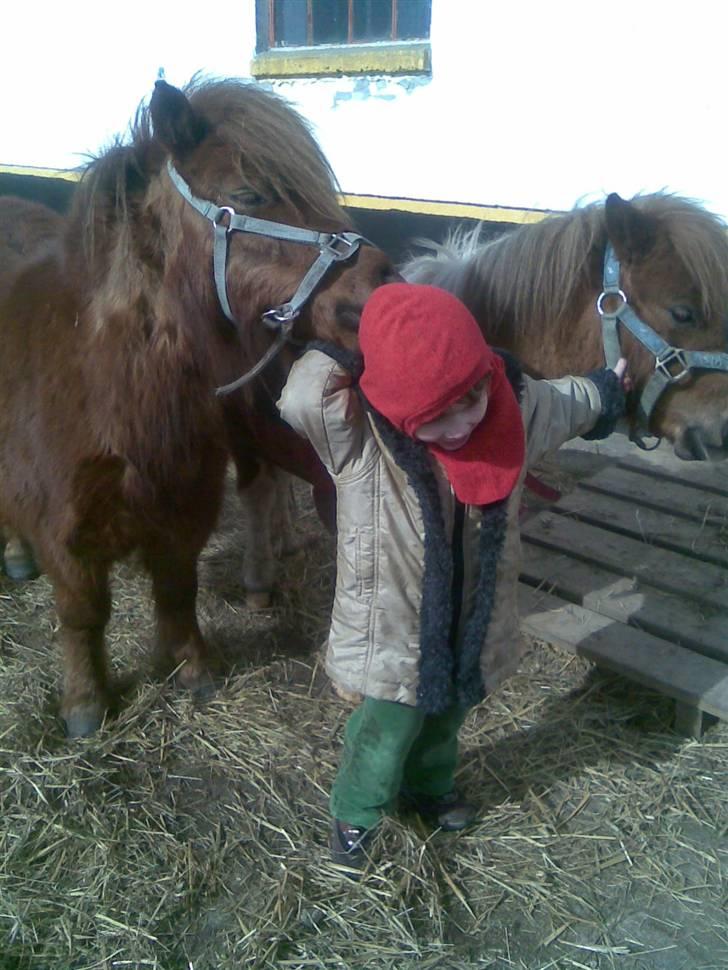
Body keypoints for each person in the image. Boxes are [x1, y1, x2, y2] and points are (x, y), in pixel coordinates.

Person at [277, 282, 627, 875]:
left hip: (471, 614)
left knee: (449, 714)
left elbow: (564, 403)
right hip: (390, 625)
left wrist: (604, 389)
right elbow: (302, 398)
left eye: (472, 400)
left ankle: (430, 787)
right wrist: (348, 352)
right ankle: (357, 811)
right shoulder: (361, 438)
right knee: (388, 727)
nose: (464, 426)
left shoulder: (510, 405)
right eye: (438, 419)